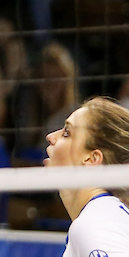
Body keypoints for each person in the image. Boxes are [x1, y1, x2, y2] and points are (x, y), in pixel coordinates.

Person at [44, 97, 129, 257]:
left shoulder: (93, 224)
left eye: (67, 133)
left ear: (91, 159)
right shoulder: (104, 215)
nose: (51, 137)